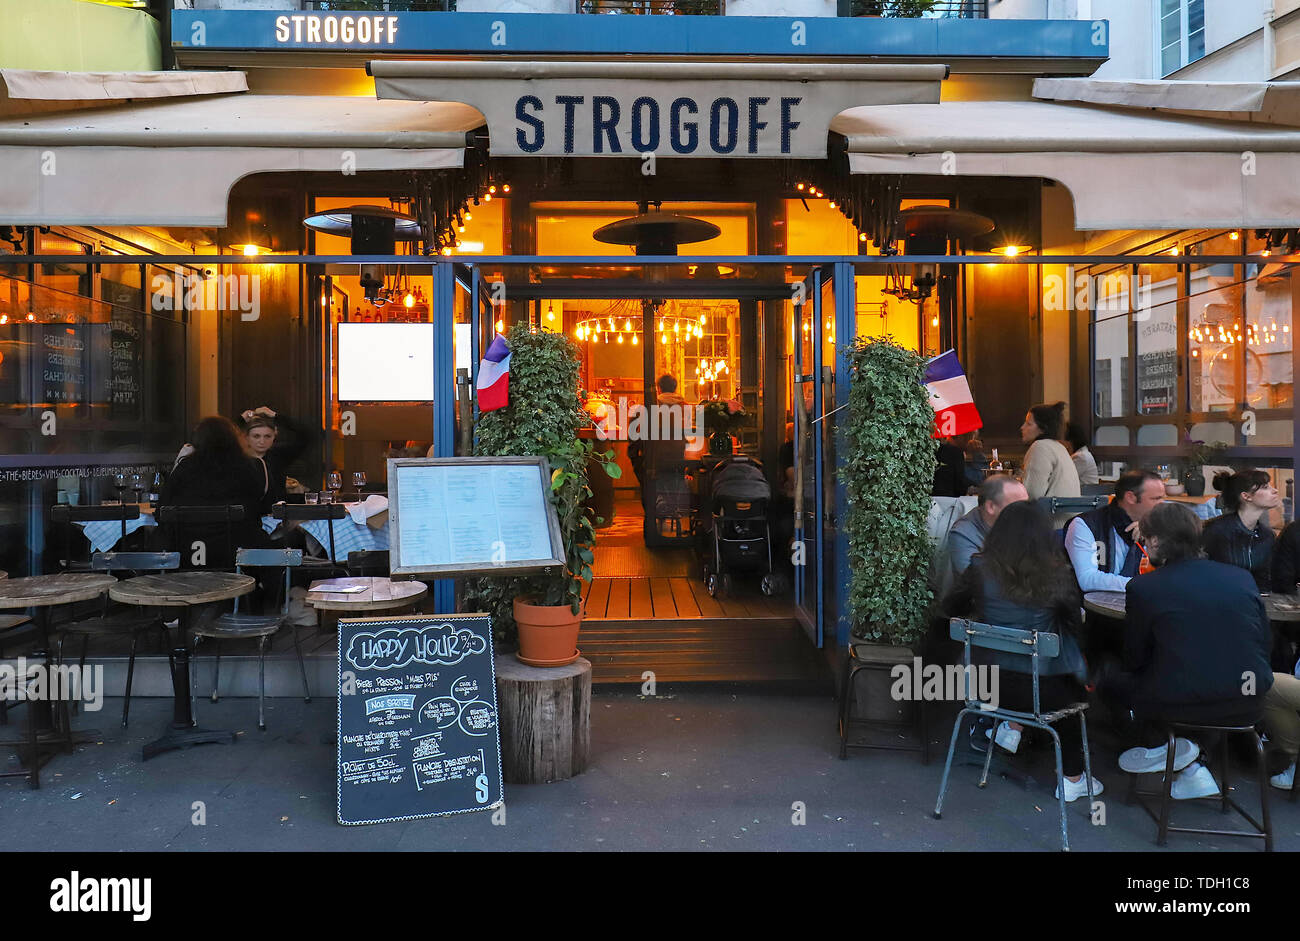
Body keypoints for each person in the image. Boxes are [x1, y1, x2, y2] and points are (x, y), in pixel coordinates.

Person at [1102, 502, 1275, 799]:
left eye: (1145, 539)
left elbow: (1134, 658)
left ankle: (1173, 754)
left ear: (1156, 541)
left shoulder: (1145, 588)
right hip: (1249, 704)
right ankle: (1193, 759)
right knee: (1184, 678)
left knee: (1108, 675)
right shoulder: (1241, 578)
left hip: (1177, 706)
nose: (1143, 544)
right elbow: (1265, 643)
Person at [945, 501, 1102, 802]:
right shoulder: (1059, 575)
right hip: (1043, 693)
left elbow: (952, 609)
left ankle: (1011, 726)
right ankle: (1073, 777)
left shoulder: (978, 568)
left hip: (981, 686)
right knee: (1073, 683)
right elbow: (1075, 629)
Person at [158, 416, 273, 569]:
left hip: (187, 550)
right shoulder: (248, 467)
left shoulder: (185, 467)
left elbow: (162, 510)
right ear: (234, 439)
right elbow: (260, 507)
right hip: (237, 552)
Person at [1065, 469, 1165, 593]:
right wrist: (1143, 585)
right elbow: (1088, 579)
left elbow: (1174, 572)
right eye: (1156, 498)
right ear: (1131, 497)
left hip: (1144, 605)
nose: (1162, 504)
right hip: (1096, 608)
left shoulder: (1158, 526)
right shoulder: (1085, 525)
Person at [1201, 469, 1278, 594]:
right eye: (1265, 487)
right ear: (1246, 496)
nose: (1275, 491)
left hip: (1250, 602)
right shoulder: (1216, 530)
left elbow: (1263, 582)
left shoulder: (1267, 536)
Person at [948, 473, 1028, 581]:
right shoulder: (963, 533)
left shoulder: (1022, 523)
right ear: (991, 507)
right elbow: (980, 583)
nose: (1026, 512)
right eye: (1018, 506)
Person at [240, 405, 311, 506]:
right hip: (249, 513)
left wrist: (276, 416)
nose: (262, 441)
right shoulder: (238, 458)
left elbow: (305, 435)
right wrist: (241, 420)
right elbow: (218, 442)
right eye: (256, 436)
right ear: (246, 437)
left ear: (274, 436)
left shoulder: (278, 455)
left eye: (267, 436)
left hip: (276, 513)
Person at [1019, 401, 1080, 500]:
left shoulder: (1040, 447)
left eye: (1028, 424)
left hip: (1052, 514)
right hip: (1068, 512)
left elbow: (1032, 494)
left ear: (1043, 429)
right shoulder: (1059, 447)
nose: (1022, 427)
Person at [1065, 422, 1100, 486]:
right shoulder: (1083, 454)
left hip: (1085, 494)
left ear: (1071, 440)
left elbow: (1065, 478)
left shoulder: (1080, 457)